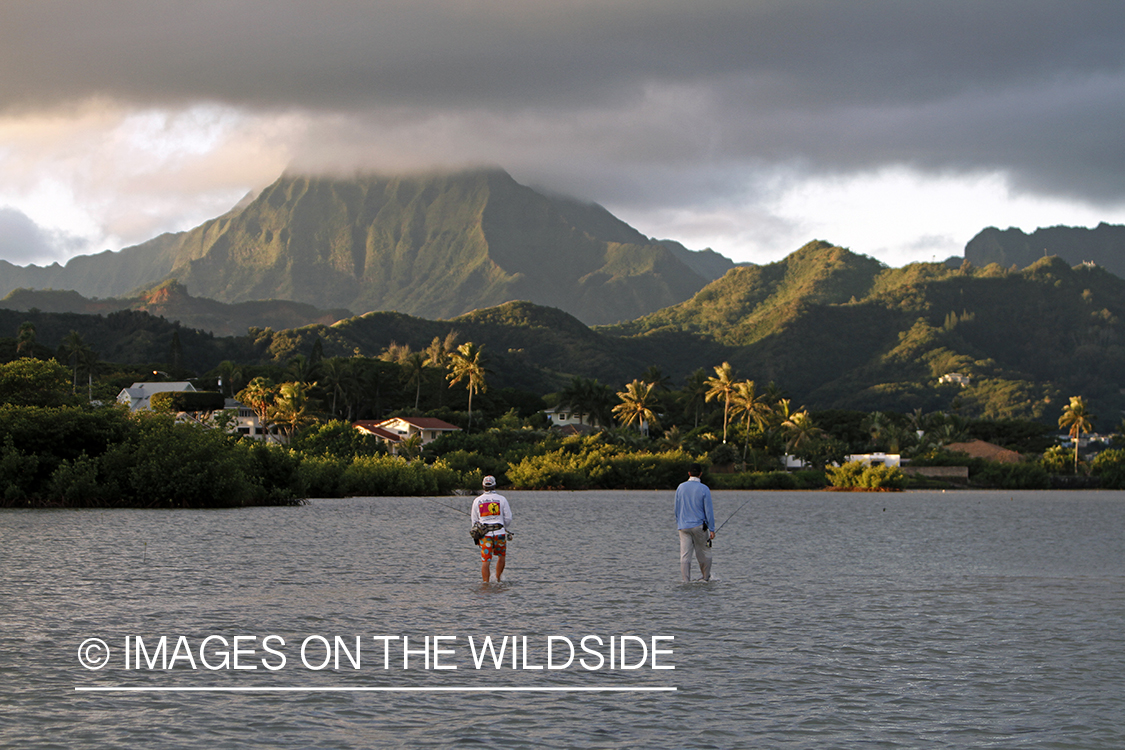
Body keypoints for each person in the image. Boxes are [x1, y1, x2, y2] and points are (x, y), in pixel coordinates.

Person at [675, 463, 716, 582]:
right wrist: (712, 529)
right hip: (699, 526)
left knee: (685, 555)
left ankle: (685, 580)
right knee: (704, 552)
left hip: (683, 526)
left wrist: (680, 523)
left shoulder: (680, 487)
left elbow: (676, 509)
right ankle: (705, 578)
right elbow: (709, 511)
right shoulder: (704, 489)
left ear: (689, 474)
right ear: (700, 474)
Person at [471, 475, 513, 582]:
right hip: (500, 533)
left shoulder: (477, 500)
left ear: (483, 486)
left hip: (485, 536)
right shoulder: (502, 499)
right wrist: (504, 528)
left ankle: (486, 583)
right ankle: (498, 579)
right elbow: (508, 518)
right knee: (501, 556)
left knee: (486, 561)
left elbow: (474, 521)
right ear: (494, 486)